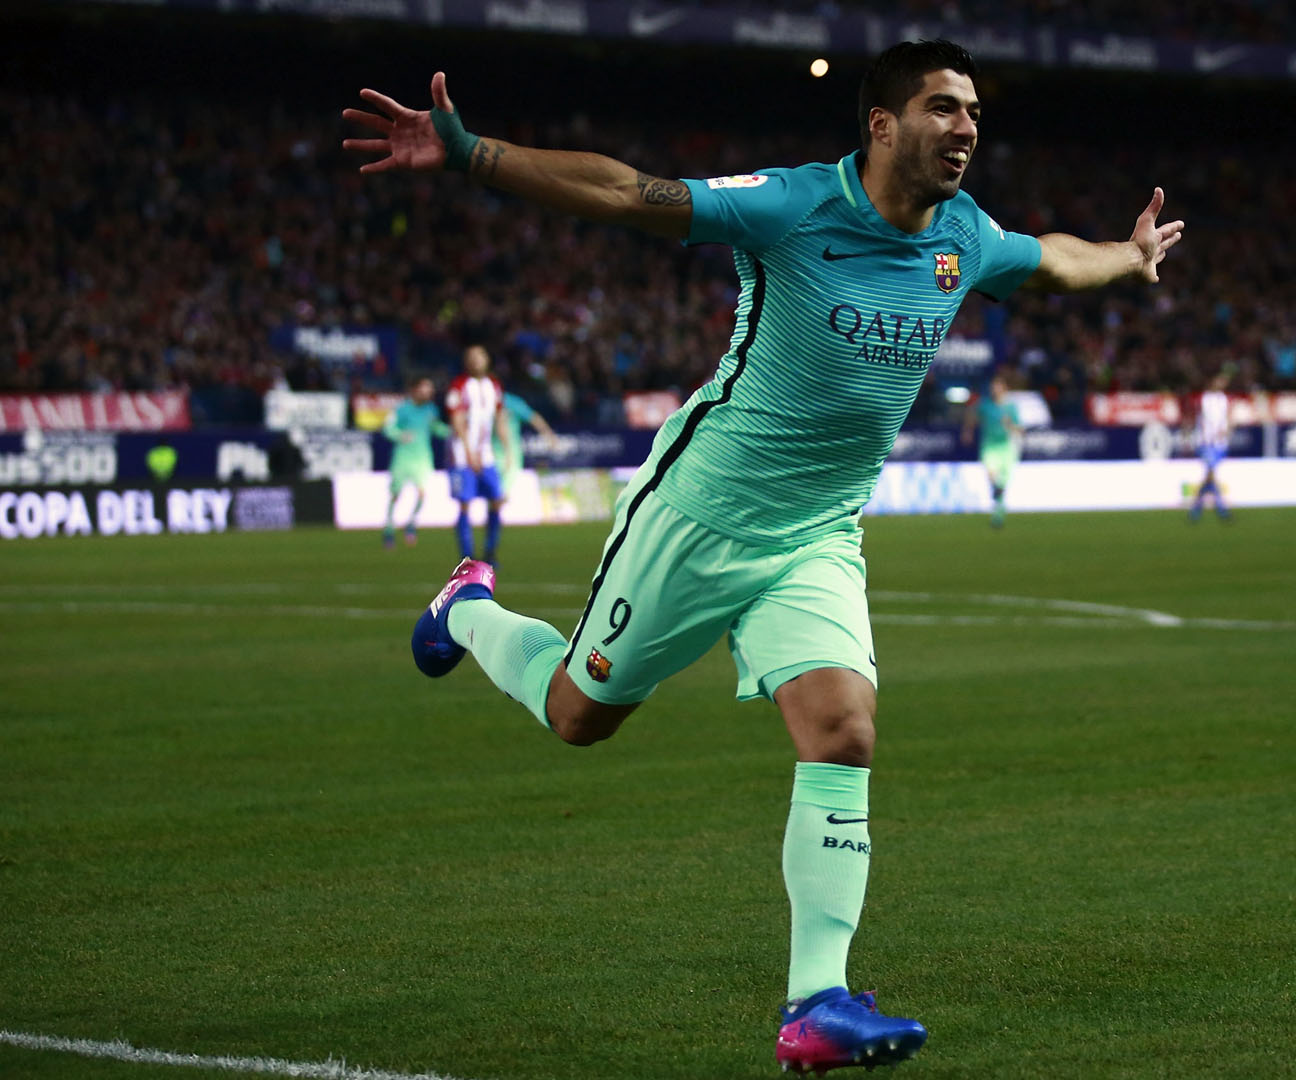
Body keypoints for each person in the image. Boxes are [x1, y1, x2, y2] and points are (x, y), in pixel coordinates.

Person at [343, 39, 1183, 1074]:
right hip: (699, 513)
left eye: (972, 110)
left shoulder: (965, 236)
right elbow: (625, 192)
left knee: (843, 730)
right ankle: (463, 606)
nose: (966, 126)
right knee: (577, 717)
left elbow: (1055, 257)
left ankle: (815, 1005)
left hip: (818, 532)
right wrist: (477, 156)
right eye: (941, 108)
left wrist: (1130, 255)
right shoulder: (793, 206)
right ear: (881, 125)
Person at [446, 345, 511, 563]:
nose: (476, 361)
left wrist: (507, 449)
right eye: (471, 357)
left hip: (486, 453)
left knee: (496, 499)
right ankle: (468, 558)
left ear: (487, 359)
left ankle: (490, 553)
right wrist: (468, 451)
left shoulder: (494, 385)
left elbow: (500, 418)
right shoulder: (459, 385)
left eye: (480, 356)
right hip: (462, 454)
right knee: (465, 503)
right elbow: (457, 419)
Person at [381, 375, 447, 548]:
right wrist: (400, 435)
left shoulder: (431, 409)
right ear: (415, 389)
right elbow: (388, 428)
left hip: (423, 458)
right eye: (425, 387)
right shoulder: (402, 409)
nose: (429, 391)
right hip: (403, 457)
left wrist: (452, 431)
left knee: (422, 494)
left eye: (430, 388)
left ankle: (411, 523)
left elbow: (436, 427)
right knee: (396, 494)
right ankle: (389, 528)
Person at [961, 372, 1021, 527]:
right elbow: (972, 415)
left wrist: (1009, 424)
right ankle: (997, 491)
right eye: (993, 387)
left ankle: (998, 513)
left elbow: (1020, 429)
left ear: (1004, 388)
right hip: (989, 446)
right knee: (992, 474)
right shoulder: (985, 404)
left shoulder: (1011, 407)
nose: (995, 389)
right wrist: (968, 430)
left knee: (1002, 483)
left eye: (998, 386)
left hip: (1006, 447)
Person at [493, 386, 557, 492]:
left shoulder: (511, 401)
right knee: (495, 493)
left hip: (511, 453)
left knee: (503, 492)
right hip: (489, 453)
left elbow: (533, 417)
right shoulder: (478, 400)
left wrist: (549, 435)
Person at [1188, 371, 1232, 522]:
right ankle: (1221, 509)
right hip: (1207, 442)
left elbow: (1226, 419)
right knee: (1210, 475)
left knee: (1209, 477)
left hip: (1220, 443)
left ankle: (1196, 508)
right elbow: (1205, 419)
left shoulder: (1223, 399)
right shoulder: (1206, 398)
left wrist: (1226, 431)